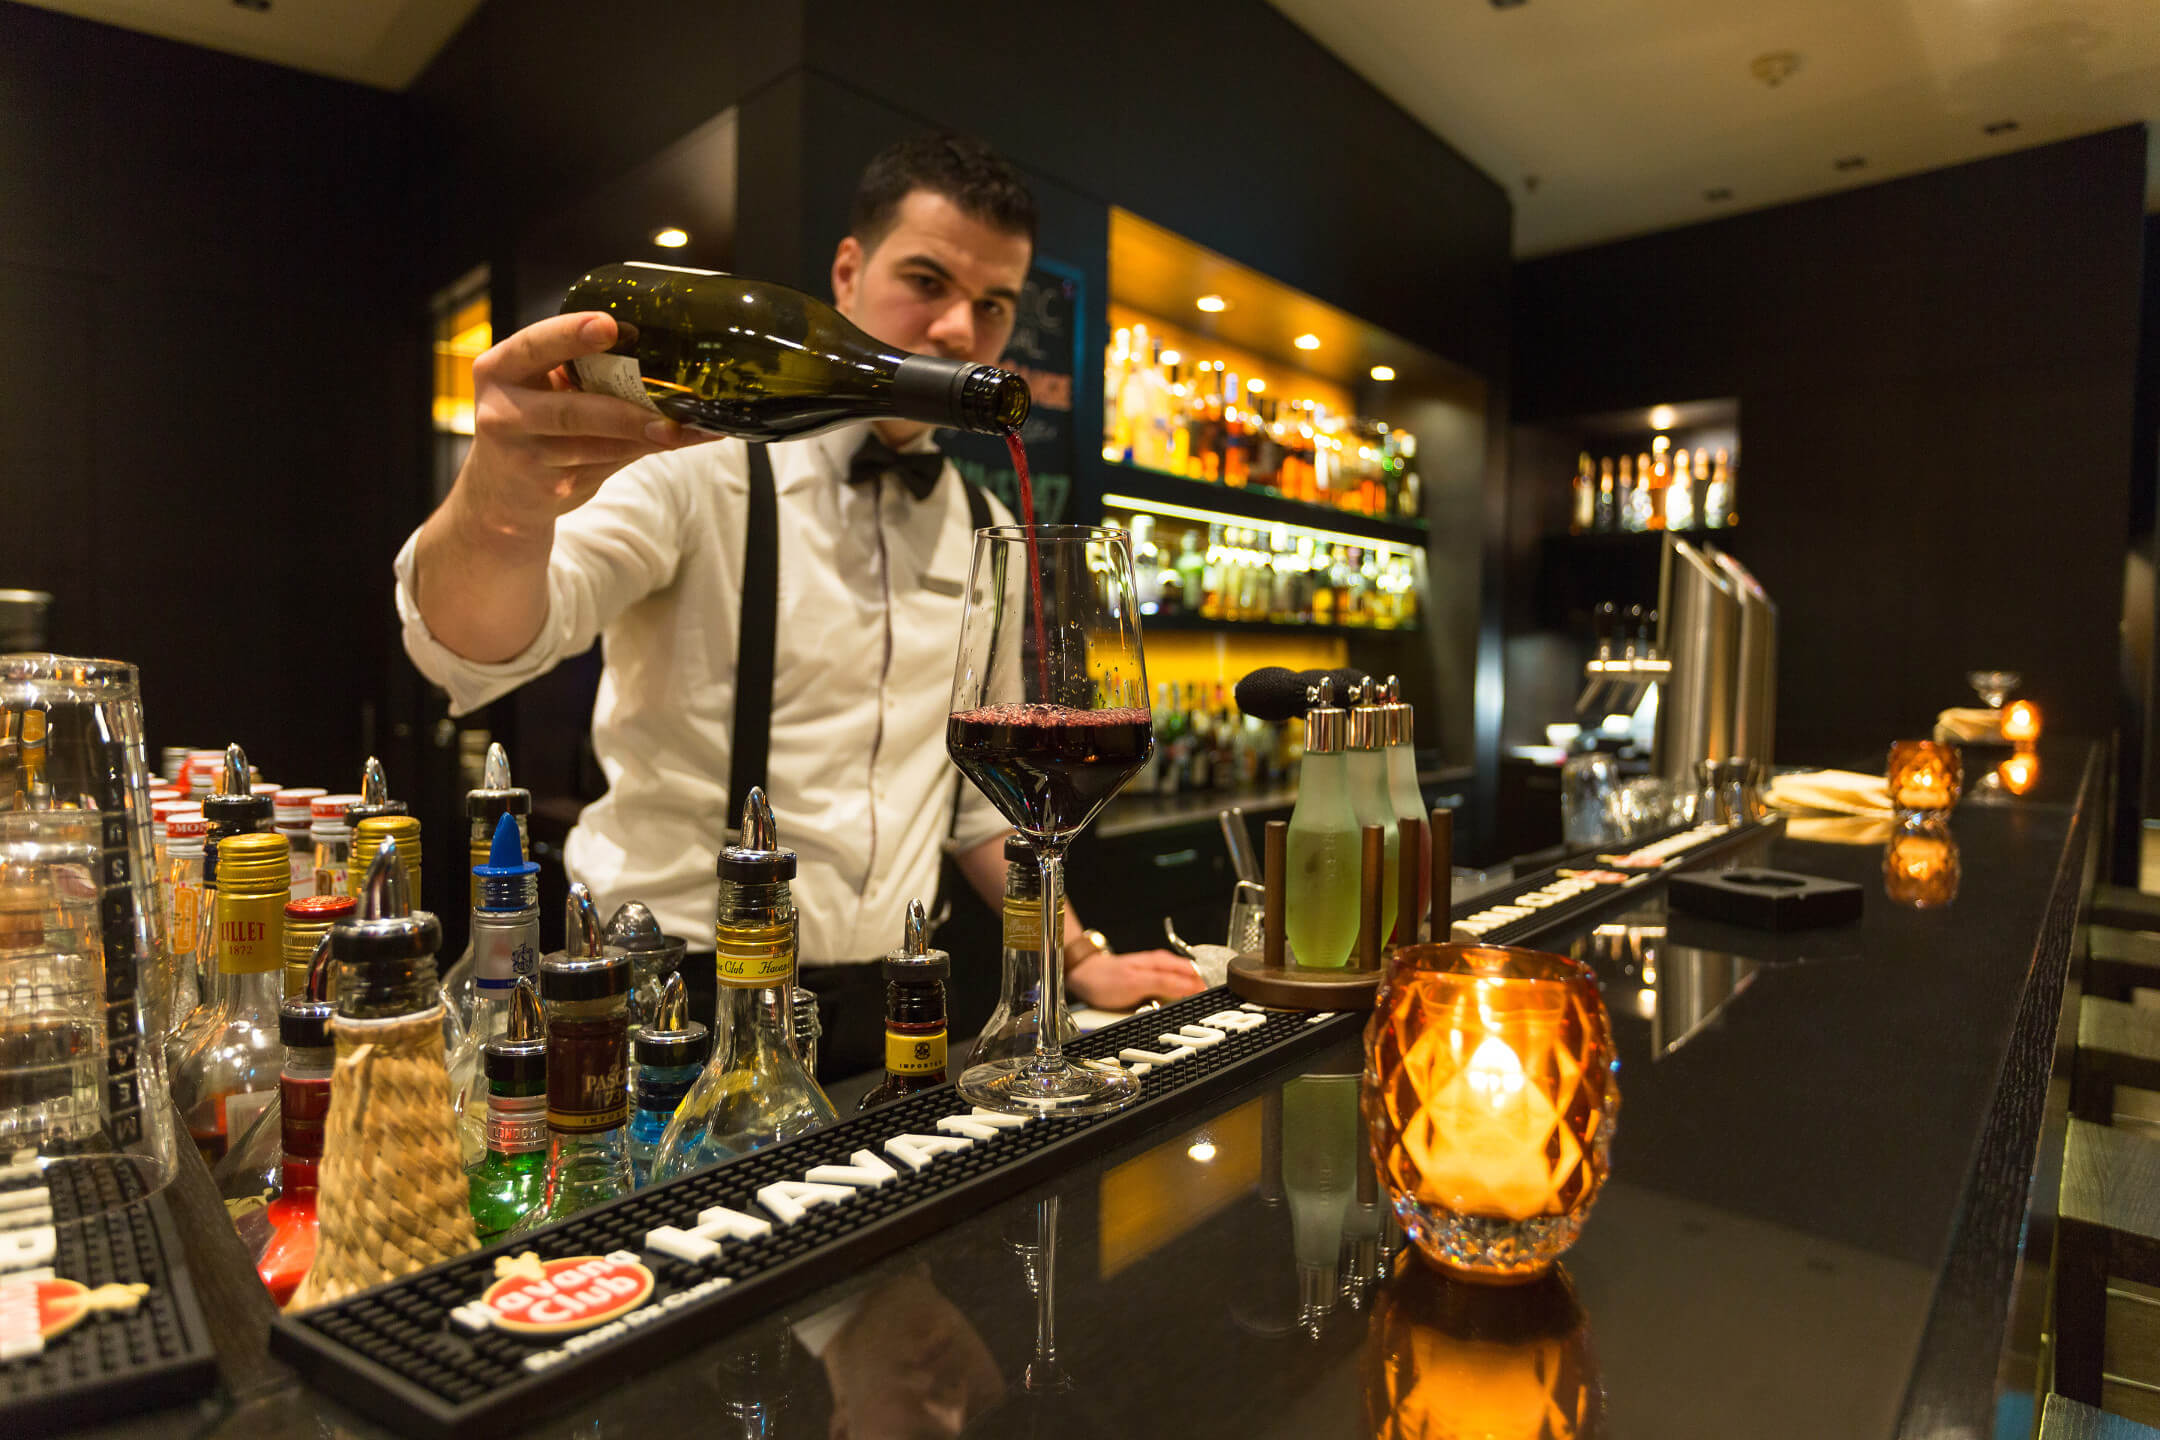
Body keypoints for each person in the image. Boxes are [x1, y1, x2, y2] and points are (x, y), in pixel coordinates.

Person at [394, 133, 1199, 1072]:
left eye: (992, 306)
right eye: (927, 281)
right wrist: (500, 502)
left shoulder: (982, 520)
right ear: (847, 274)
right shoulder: (696, 462)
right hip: (676, 994)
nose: (955, 331)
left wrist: (1078, 954)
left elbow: (983, 804)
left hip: (899, 998)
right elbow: (474, 646)